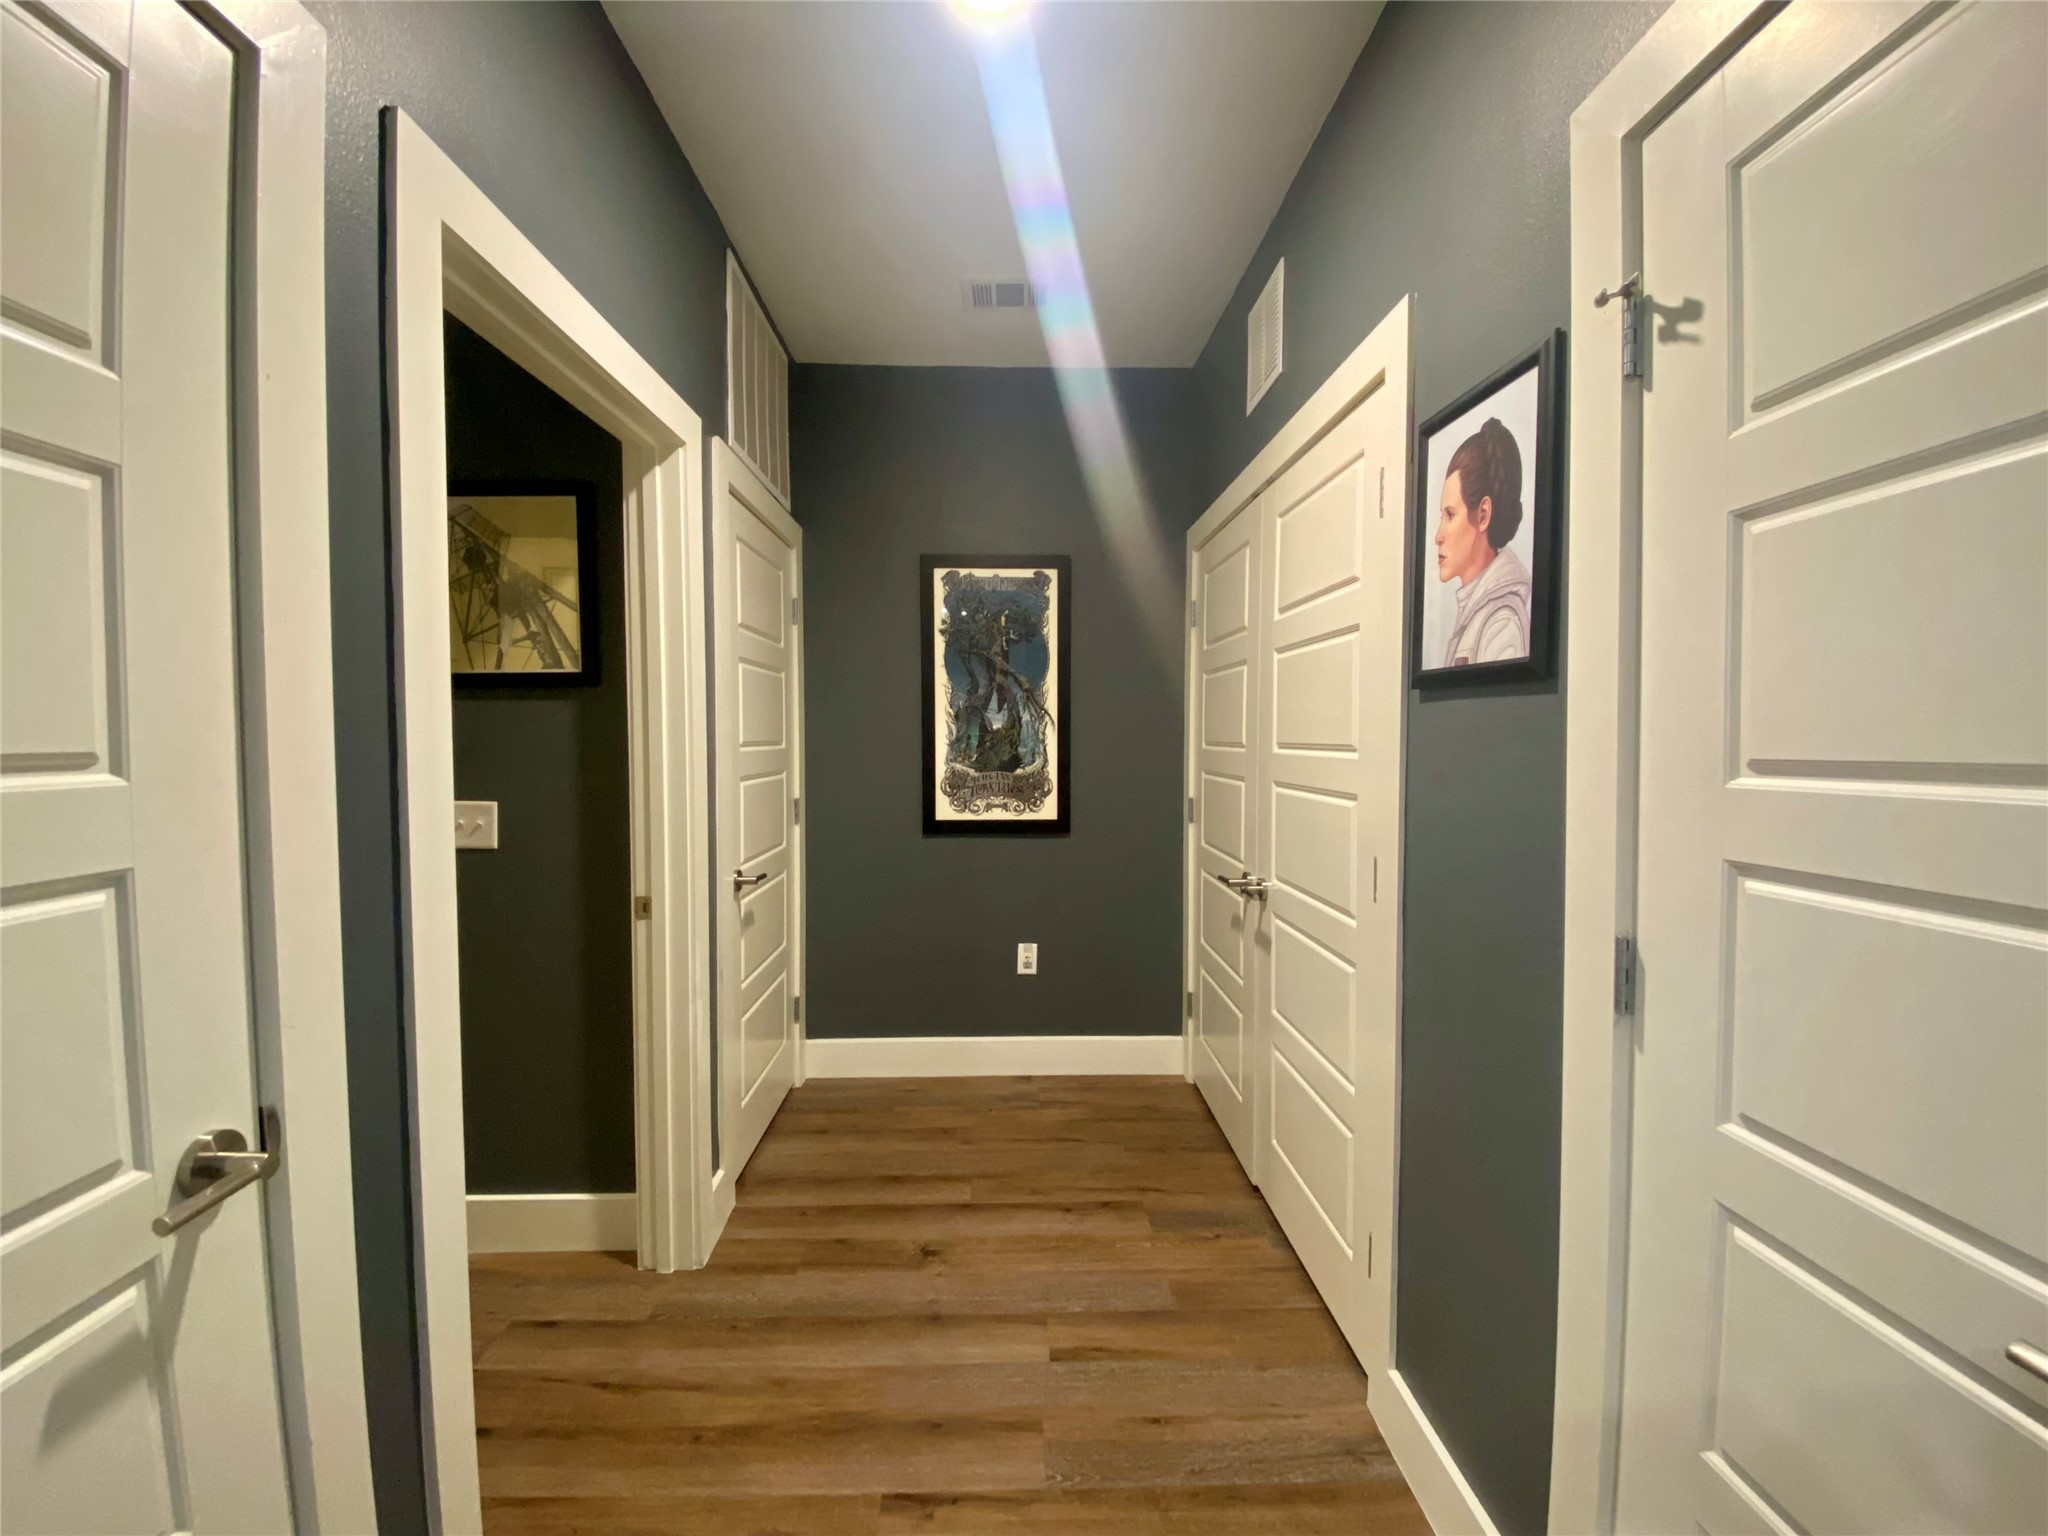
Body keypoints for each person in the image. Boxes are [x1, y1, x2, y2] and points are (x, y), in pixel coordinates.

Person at [1434, 416, 1531, 667]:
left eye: (1450, 515)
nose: (1438, 536)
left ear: (1483, 515)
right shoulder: (1477, 612)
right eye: (1441, 517)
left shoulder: (1501, 623)